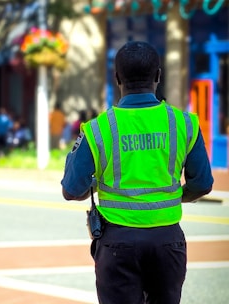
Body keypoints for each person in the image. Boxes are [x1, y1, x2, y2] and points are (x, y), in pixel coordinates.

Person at [61, 41, 213, 304]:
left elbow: (71, 190)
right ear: (158, 76)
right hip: (168, 241)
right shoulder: (184, 122)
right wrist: (175, 196)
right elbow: (202, 184)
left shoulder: (98, 129)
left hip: (118, 243)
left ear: (117, 77)